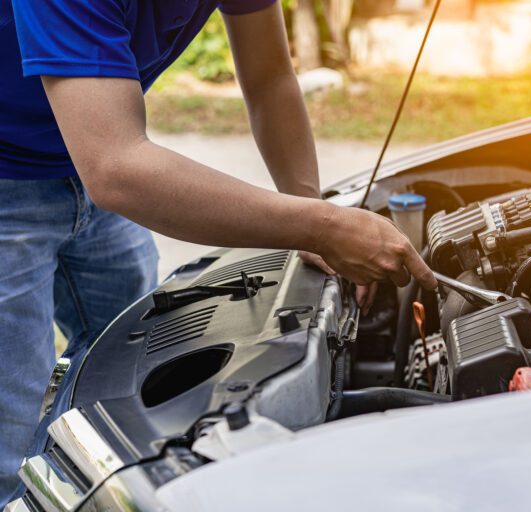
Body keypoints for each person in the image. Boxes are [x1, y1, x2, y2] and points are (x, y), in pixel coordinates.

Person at [0, 0, 437, 503]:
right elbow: (117, 169)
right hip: (27, 175)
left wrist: (311, 209)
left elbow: (270, 77)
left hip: (84, 152)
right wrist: (321, 228)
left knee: (120, 370)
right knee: (7, 444)